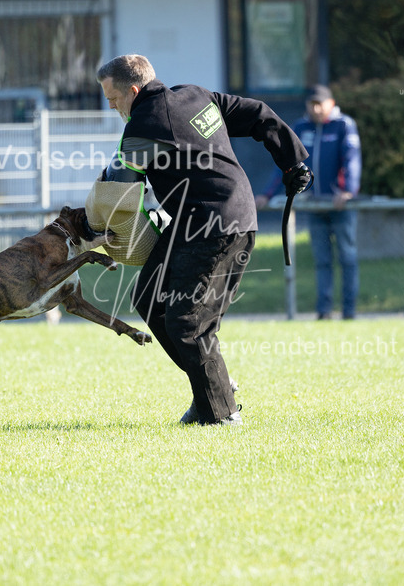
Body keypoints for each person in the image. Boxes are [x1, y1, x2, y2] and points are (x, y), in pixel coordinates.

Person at [96, 54, 311, 426]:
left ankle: (221, 412)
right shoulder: (195, 96)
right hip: (197, 221)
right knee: (149, 297)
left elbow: (119, 190)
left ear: (133, 90)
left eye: (112, 98)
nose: (111, 105)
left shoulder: (143, 125)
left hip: (217, 225)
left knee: (187, 322)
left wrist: (86, 224)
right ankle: (211, 387)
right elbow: (258, 113)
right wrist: (293, 163)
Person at [256, 84, 362, 320]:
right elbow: (285, 164)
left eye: (319, 104)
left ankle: (349, 311)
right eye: (311, 104)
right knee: (322, 261)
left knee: (348, 258)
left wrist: (347, 191)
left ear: (331, 104)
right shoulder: (301, 127)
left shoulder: (344, 125)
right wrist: (268, 193)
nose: (315, 108)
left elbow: (352, 160)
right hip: (315, 206)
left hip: (340, 206)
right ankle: (324, 312)